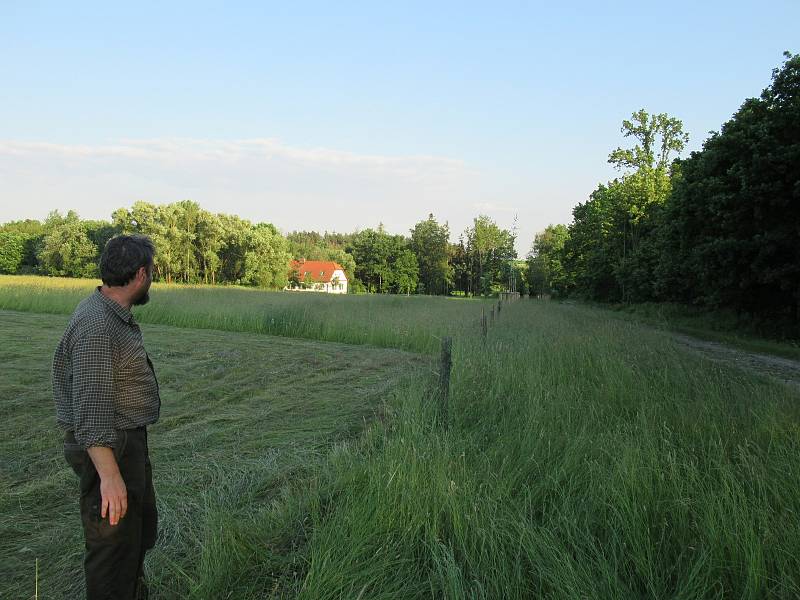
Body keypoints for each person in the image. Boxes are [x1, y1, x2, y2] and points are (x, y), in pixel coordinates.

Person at [53, 234, 161, 600]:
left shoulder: (111, 315)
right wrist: (110, 477)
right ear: (141, 275)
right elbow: (90, 412)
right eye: (153, 272)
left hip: (124, 443)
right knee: (112, 550)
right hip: (109, 449)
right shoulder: (98, 327)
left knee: (133, 540)